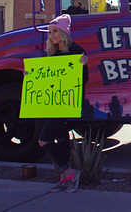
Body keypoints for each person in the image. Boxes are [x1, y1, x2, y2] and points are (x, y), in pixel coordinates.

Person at [38, 14, 88, 193]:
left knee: (43, 141)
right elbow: (46, 80)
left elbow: (85, 79)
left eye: (55, 31)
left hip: (67, 102)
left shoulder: (76, 50)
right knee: (61, 139)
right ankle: (64, 178)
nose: (51, 35)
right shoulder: (52, 53)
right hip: (54, 102)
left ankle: (70, 173)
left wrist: (82, 65)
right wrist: (30, 77)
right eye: (50, 32)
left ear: (64, 32)